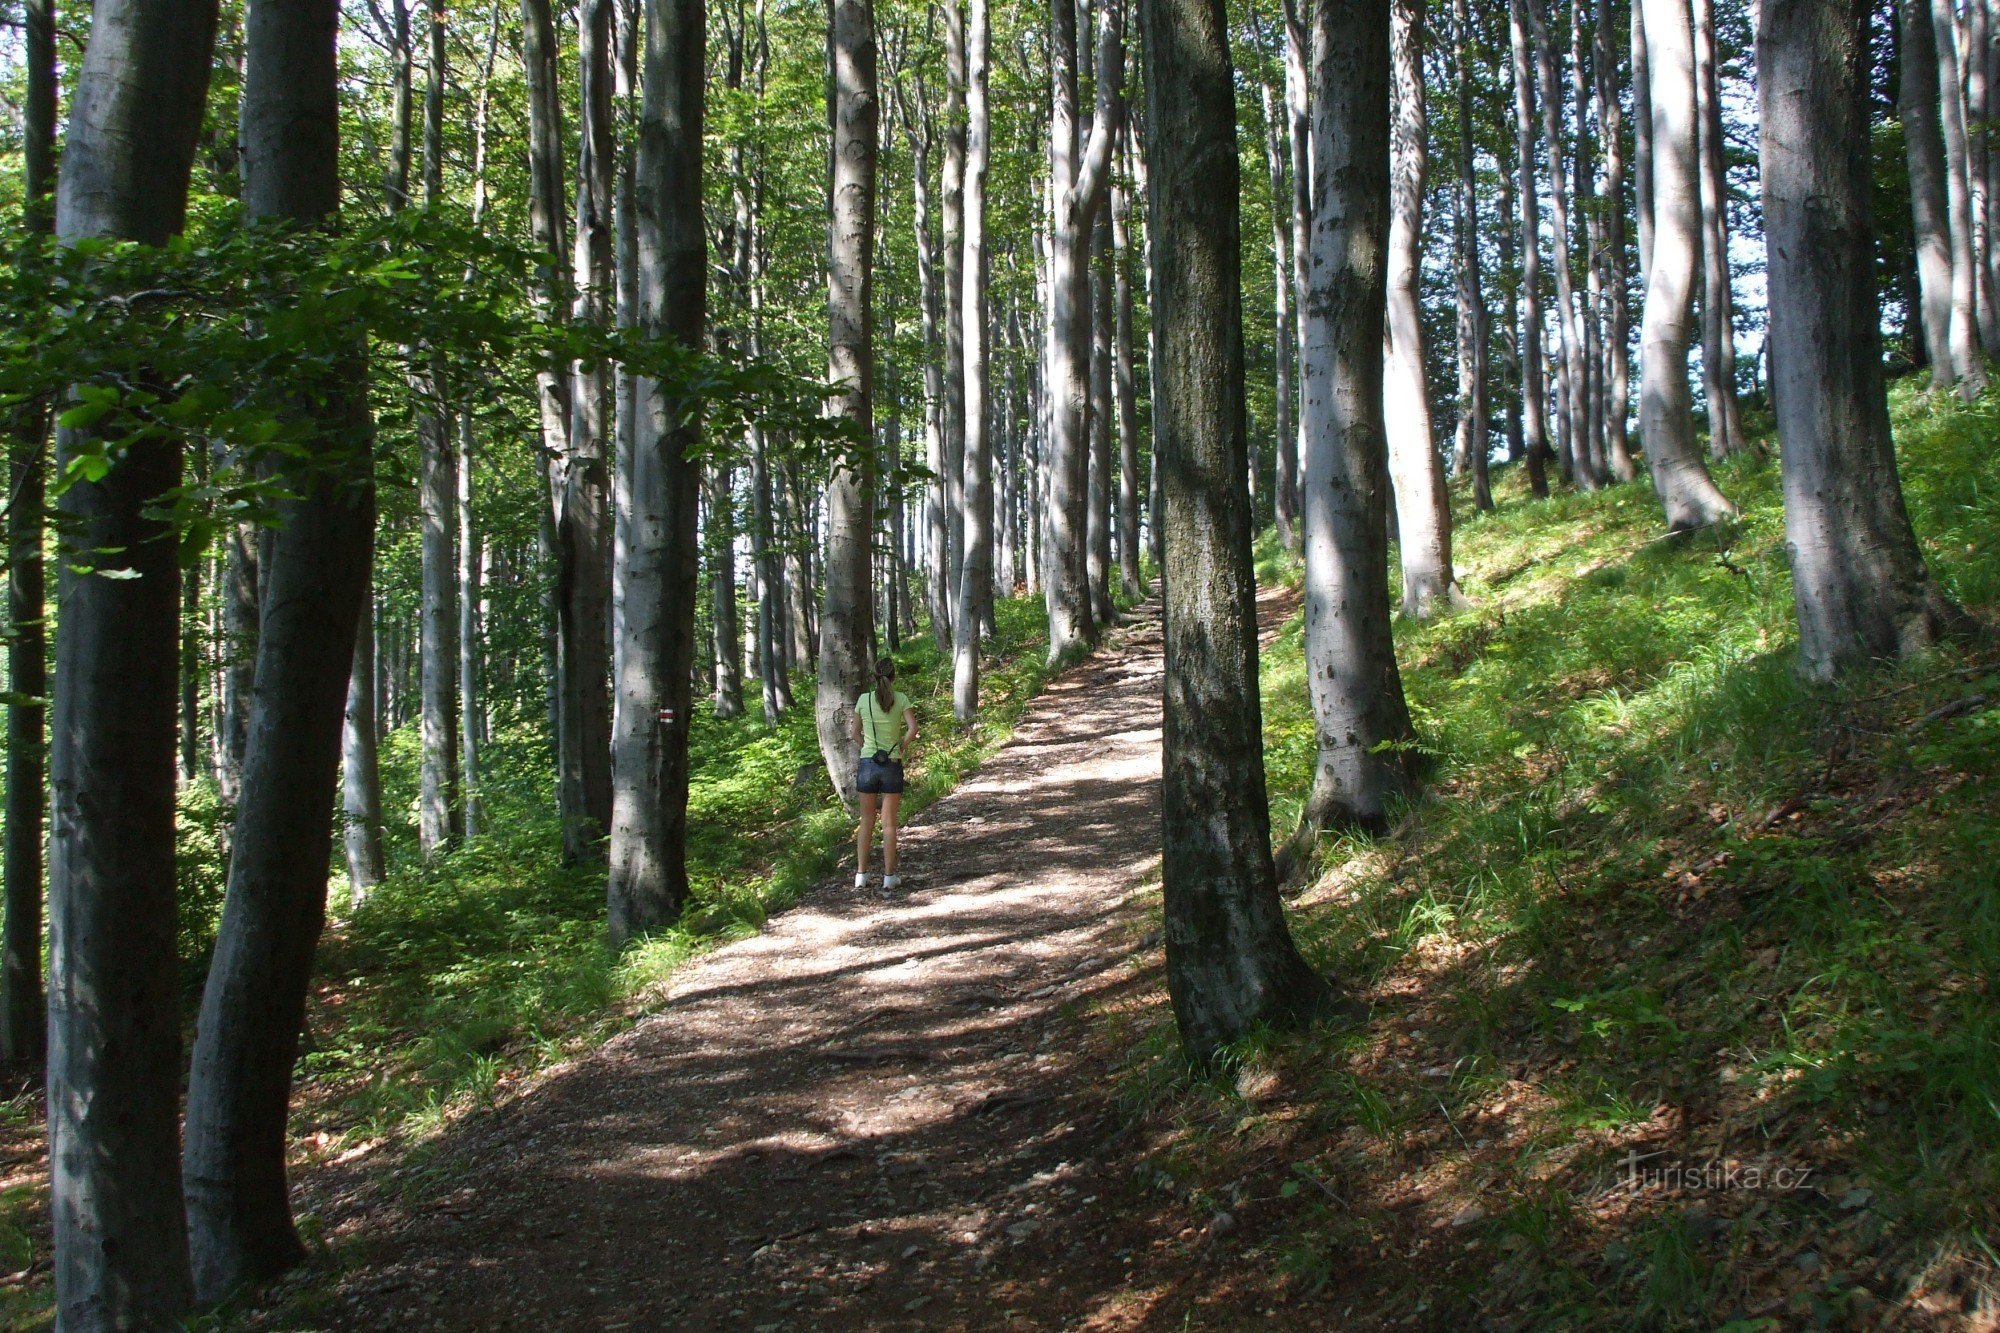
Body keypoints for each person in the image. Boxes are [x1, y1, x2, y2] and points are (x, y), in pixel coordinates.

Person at [852, 656, 918, 891]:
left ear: (874, 677)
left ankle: (861, 874)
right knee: (889, 824)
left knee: (866, 820)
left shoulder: (863, 700)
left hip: (868, 764)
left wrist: (867, 748)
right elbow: (913, 729)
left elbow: (854, 733)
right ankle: (889, 877)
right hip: (891, 763)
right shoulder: (901, 699)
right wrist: (901, 746)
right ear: (894, 677)